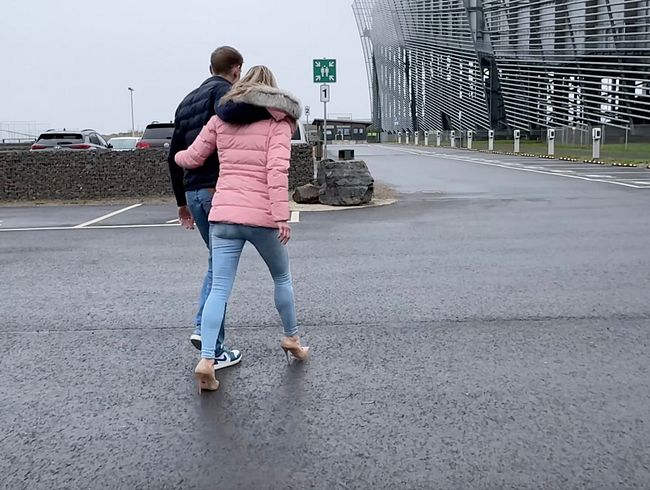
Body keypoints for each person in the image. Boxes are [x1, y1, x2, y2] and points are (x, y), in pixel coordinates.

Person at [175, 66, 309, 393]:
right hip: (262, 216)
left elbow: (192, 157)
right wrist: (281, 215)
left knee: (219, 288)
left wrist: (177, 156)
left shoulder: (221, 118)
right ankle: (291, 339)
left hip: (224, 215)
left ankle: (208, 360)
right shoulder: (279, 122)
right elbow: (277, 170)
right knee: (281, 278)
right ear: (271, 92)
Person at [168, 46, 269, 370]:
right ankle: (210, 340)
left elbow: (174, 153)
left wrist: (181, 202)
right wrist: (274, 110)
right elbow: (235, 118)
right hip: (217, 191)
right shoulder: (225, 94)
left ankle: (207, 333)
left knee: (216, 263)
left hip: (194, 193)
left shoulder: (186, 101)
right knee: (221, 271)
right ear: (237, 69)